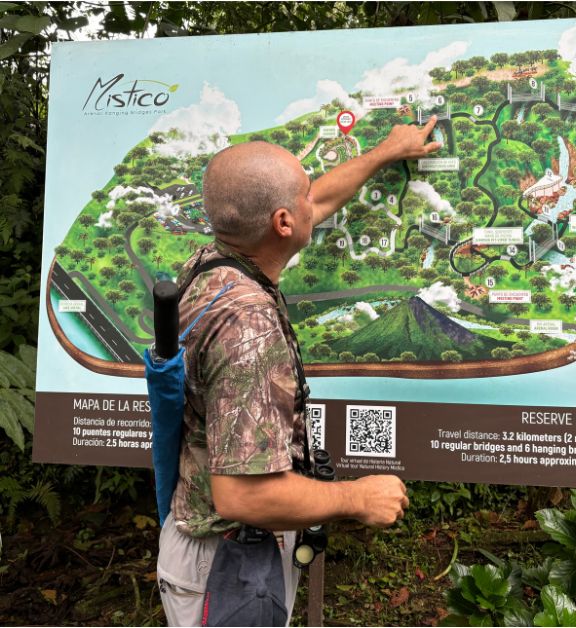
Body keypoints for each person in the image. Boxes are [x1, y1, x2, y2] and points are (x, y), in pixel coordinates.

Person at [156, 118, 442, 626]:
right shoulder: (247, 327)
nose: (316, 199)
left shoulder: (214, 262)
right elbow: (241, 493)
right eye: (304, 195)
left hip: (222, 551)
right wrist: (357, 497)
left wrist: (384, 152)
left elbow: (319, 201)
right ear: (283, 222)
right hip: (227, 566)